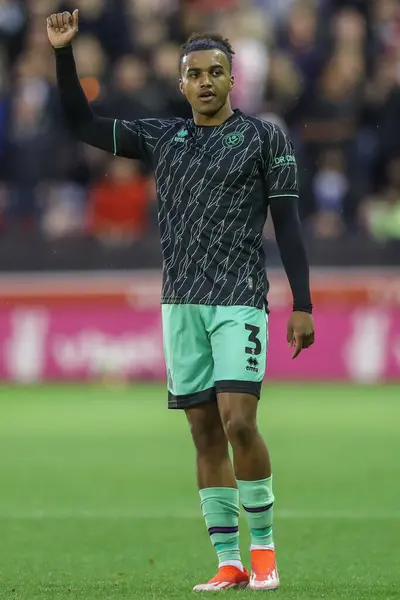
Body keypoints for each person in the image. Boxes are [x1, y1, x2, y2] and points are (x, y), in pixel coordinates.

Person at [47, 10, 315, 592]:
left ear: (231, 78)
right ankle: (228, 561)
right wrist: (64, 55)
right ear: (182, 83)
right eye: (195, 74)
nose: (206, 82)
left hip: (240, 297)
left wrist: (303, 302)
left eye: (217, 72)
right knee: (203, 432)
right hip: (181, 303)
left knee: (239, 421)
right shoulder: (164, 137)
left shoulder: (264, 137)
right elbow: (80, 122)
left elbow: (288, 224)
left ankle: (264, 550)